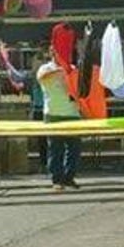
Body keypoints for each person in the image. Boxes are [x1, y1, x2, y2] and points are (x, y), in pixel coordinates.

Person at [36, 51, 82, 191]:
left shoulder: (73, 69)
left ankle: (69, 178)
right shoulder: (45, 68)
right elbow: (42, 78)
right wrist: (61, 69)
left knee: (74, 149)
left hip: (73, 114)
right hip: (53, 114)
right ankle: (57, 179)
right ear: (52, 53)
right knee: (55, 149)